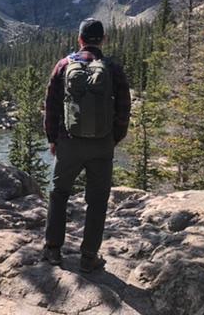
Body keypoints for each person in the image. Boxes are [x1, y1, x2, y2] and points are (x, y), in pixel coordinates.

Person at [42, 18, 131, 273]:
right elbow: (124, 108)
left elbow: (51, 106)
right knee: (98, 200)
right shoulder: (112, 68)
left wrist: (53, 139)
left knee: (59, 194)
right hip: (102, 144)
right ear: (103, 40)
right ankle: (89, 256)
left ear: (79, 39)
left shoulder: (64, 65)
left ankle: (53, 250)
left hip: (69, 143)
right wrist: (113, 138)